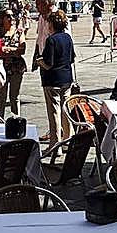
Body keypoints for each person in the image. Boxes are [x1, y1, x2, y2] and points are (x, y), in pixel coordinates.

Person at [36, 10, 75, 143]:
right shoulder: (67, 37)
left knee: (54, 113)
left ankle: (55, 143)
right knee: (65, 111)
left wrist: (39, 61)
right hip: (66, 78)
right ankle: (67, 139)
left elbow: (49, 64)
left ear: (51, 24)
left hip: (52, 79)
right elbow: (71, 58)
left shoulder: (51, 40)